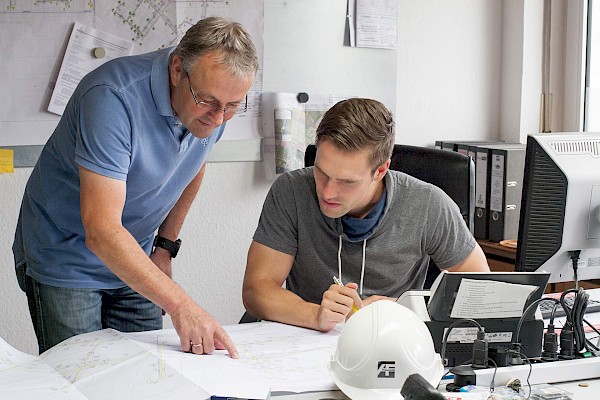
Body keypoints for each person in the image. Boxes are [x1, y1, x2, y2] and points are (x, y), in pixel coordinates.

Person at [13, 16, 258, 356]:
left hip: (134, 255)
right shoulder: (111, 98)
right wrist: (181, 305)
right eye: (209, 102)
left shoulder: (213, 101)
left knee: (145, 376)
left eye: (232, 107)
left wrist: (164, 249)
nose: (218, 119)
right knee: (83, 379)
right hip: (65, 255)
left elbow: (193, 165)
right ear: (176, 70)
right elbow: (100, 231)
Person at [242, 98, 490, 332]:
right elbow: (257, 290)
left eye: (346, 182)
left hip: (389, 341)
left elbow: (480, 291)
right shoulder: (291, 191)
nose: (327, 192)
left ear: (380, 170)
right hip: (308, 341)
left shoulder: (429, 205)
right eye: (321, 172)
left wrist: (402, 309)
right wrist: (315, 315)